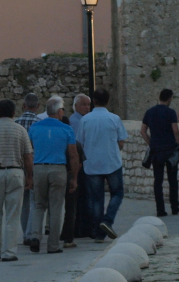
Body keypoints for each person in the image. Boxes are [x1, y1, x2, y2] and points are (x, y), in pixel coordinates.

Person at [0, 100, 33, 260]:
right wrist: (30, 176)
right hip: (15, 172)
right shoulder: (20, 130)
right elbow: (28, 156)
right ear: (13, 112)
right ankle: (9, 252)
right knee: (12, 215)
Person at [28, 96, 78, 254]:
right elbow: (73, 155)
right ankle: (53, 245)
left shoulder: (34, 128)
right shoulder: (66, 129)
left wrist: (29, 174)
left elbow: (29, 151)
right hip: (58, 168)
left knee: (39, 205)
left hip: (39, 168)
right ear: (60, 111)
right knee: (56, 208)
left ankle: (35, 236)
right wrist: (74, 177)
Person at [76, 88, 127, 241]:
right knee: (117, 193)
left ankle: (98, 232)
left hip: (92, 164)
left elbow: (80, 142)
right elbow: (121, 141)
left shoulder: (85, 120)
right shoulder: (114, 118)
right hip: (112, 162)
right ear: (108, 101)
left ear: (94, 101)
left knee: (96, 198)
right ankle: (107, 220)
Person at [141, 89, 179, 218]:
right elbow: (175, 130)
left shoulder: (149, 112)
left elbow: (143, 131)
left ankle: (160, 209)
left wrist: (151, 143)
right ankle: (174, 207)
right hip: (170, 150)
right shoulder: (170, 112)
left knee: (157, 181)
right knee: (172, 180)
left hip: (156, 151)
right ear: (169, 98)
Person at [16, 94, 44, 246]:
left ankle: (25, 234)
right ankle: (30, 232)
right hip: (35, 166)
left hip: (18, 166)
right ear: (37, 106)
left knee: (23, 202)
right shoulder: (40, 124)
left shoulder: (16, 124)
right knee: (34, 201)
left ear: (24, 106)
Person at [69, 94, 92, 240]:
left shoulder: (84, 120)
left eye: (88, 104)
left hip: (85, 163)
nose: (87, 107)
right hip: (80, 164)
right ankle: (81, 228)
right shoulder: (75, 121)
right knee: (81, 198)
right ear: (76, 106)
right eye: (84, 104)